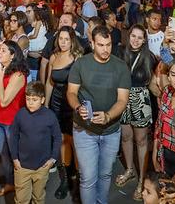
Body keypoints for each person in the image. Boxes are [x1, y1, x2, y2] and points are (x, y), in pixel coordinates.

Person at [67, 25, 130, 204]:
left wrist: (108, 116)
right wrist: (78, 107)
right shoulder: (81, 64)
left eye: (108, 44)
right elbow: (71, 93)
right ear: (92, 44)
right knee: (87, 177)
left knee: (105, 174)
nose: (105, 49)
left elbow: (122, 100)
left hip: (111, 131)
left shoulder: (120, 67)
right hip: (84, 131)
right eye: (101, 45)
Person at [115, 25, 157, 200]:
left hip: (140, 98)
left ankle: (141, 180)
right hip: (122, 97)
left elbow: (155, 82)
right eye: (133, 35)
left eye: (140, 37)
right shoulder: (120, 52)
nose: (135, 40)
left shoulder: (150, 57)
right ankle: (130, 170)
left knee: (140, 141)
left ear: (144, 40)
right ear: (128, 35)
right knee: (125, 137)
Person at [45, 26, 83, 199]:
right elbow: (49, 83)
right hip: (56, 102)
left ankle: (79, 180)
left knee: (75, 140)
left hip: (73, 102)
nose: (63, 42)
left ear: (72, 40)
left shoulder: (78, 57)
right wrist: (45, 105)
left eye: (67, 39)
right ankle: (65, 179)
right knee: (61, 140)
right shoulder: (53, 57)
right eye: (61, 39)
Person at [9, 81, 62, 204]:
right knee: (21, 199)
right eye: (28, 99)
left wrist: (53, 159)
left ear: (42, 100)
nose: (31, 102)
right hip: (22, 167)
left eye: (35, 99)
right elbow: (13, 137)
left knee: (38, 197)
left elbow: (58, 138)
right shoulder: (20, 115)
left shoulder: (50, 116)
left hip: (42, 167)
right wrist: (15, 158)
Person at [0, 40, 28, 197]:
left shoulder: (18, 74)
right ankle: (10, 183)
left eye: (4, 50)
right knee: (3, 153)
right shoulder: (4, 69)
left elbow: (5, 101)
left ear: (13, 55)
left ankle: (23, 187)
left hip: (11, 122)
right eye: (0, 50)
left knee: (15, 156)